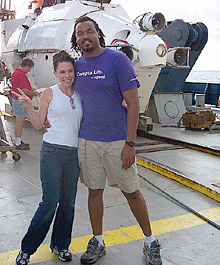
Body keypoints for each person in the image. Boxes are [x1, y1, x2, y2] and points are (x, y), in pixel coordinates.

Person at [71, 16, 162, 265]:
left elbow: (133, 103)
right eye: (80, 33)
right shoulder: (76, 66)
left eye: (89, 31)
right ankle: (98, 241)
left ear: (98, 34)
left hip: (117, 141)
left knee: (132, 191)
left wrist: (130, 143)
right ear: (76, 38)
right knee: (94, 191)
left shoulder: (118, 60)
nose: (85, 36)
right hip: (88, 141)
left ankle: (150, 241)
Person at [13, 51, 83, 265]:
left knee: (68, 204)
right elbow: (37, 123)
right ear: (55, 73)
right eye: (62, 72)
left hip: (73, 155)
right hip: (52, 152)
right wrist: (27, 106)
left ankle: (61, 245)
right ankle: (27, 249)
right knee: (49, 202)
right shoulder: (49, 93)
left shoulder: (81, 92)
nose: (67, 75)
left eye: (70, 71)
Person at [11, 58, 39, 150]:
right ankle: (18, 143)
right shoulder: (21, 75)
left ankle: (18, 140)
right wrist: (33, 93)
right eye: (29, 68)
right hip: (20, 101)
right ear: (26, 66)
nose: (29, 71)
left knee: (20, 121)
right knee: (20, 121)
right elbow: (24, 90)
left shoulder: (16, 73)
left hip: (17, 100)